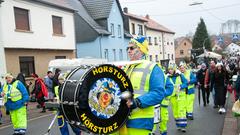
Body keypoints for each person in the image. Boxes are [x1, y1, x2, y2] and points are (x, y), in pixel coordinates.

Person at [116, 36, 165, 135]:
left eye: (132, 48)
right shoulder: (126, 67)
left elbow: (158, 93)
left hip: (140, 121)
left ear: (141, 50)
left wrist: (137, 102)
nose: (129, 51)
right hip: (122, 119)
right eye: (127, 48)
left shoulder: (153, 68)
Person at [167, 64, 188, 132]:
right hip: (173, 97)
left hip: (181, 95)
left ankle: (183, 126)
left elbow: (186, 83)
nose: (170, 70)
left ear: (174, 69)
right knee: (175, 111)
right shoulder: (167, 77)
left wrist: (181, 86)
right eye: (169, 69)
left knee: (181, 110)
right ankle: (178, 125)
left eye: (171, 69)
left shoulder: (180, 75)